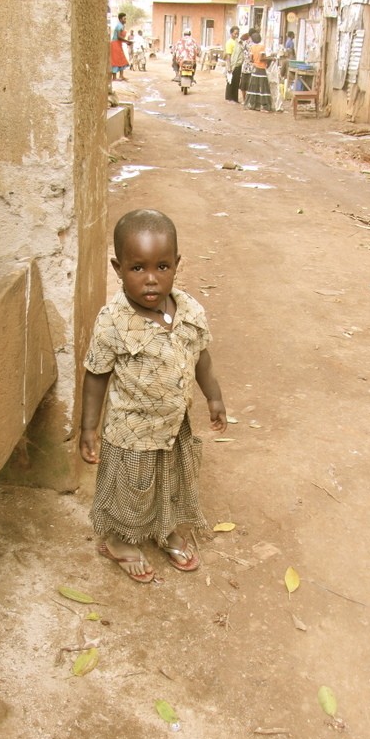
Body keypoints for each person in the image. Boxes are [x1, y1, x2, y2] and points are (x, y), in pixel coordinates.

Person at [80, 209, 227, 583]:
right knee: (132, 489)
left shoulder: (190, 310)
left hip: (173, 425)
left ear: (176, 264)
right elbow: (96, 375)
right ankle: (119, 540)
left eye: (162, 267)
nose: (150, 280)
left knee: (170, 481)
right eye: (137, 268)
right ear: (117, 267)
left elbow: (201, 358)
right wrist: (88, 428)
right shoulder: (113, 321)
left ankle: (165, 530)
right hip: (131, 432)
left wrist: (214, 398)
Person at [244, 32, 273, 112]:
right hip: (261, 69)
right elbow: (262, 58)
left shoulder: (252, 48)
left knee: (254, 87)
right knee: (263, 87)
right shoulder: (262, 47)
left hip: (255, 69)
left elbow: (251, 59)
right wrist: (270, 59)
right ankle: (264, 106)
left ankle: (252, 104)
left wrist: (255, 61)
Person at [110, 12, 131, 81]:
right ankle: (114, 77)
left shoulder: (121, 26)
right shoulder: (119, 26)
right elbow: (119, 37)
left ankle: (121, 75)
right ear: (120, 19)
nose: (125, 20)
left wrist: (126, 42)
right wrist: (127, 41)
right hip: (115, 44)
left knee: (121, 58)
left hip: (118, 44)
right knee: (115, 60)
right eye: (124, 19)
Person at [224, 26, 243, 102]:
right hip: (232, 65)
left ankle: (235, 98)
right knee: (230, 81)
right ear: (231, 33)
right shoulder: (229, 42)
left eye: (238, 34)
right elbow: (228, 55)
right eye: (235, 33)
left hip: (238, 65)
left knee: (236, 82)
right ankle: (229, 98)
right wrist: (229, 67)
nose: (236, 35)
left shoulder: (237, 42)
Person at [239, 29, 257, 104]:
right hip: (252, 67)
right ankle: (250, 101)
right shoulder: (254, 44)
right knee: (251, 85)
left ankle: (244, 100)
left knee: (243, 85)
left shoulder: (244, 42)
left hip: (245, 66)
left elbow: (240, 41)